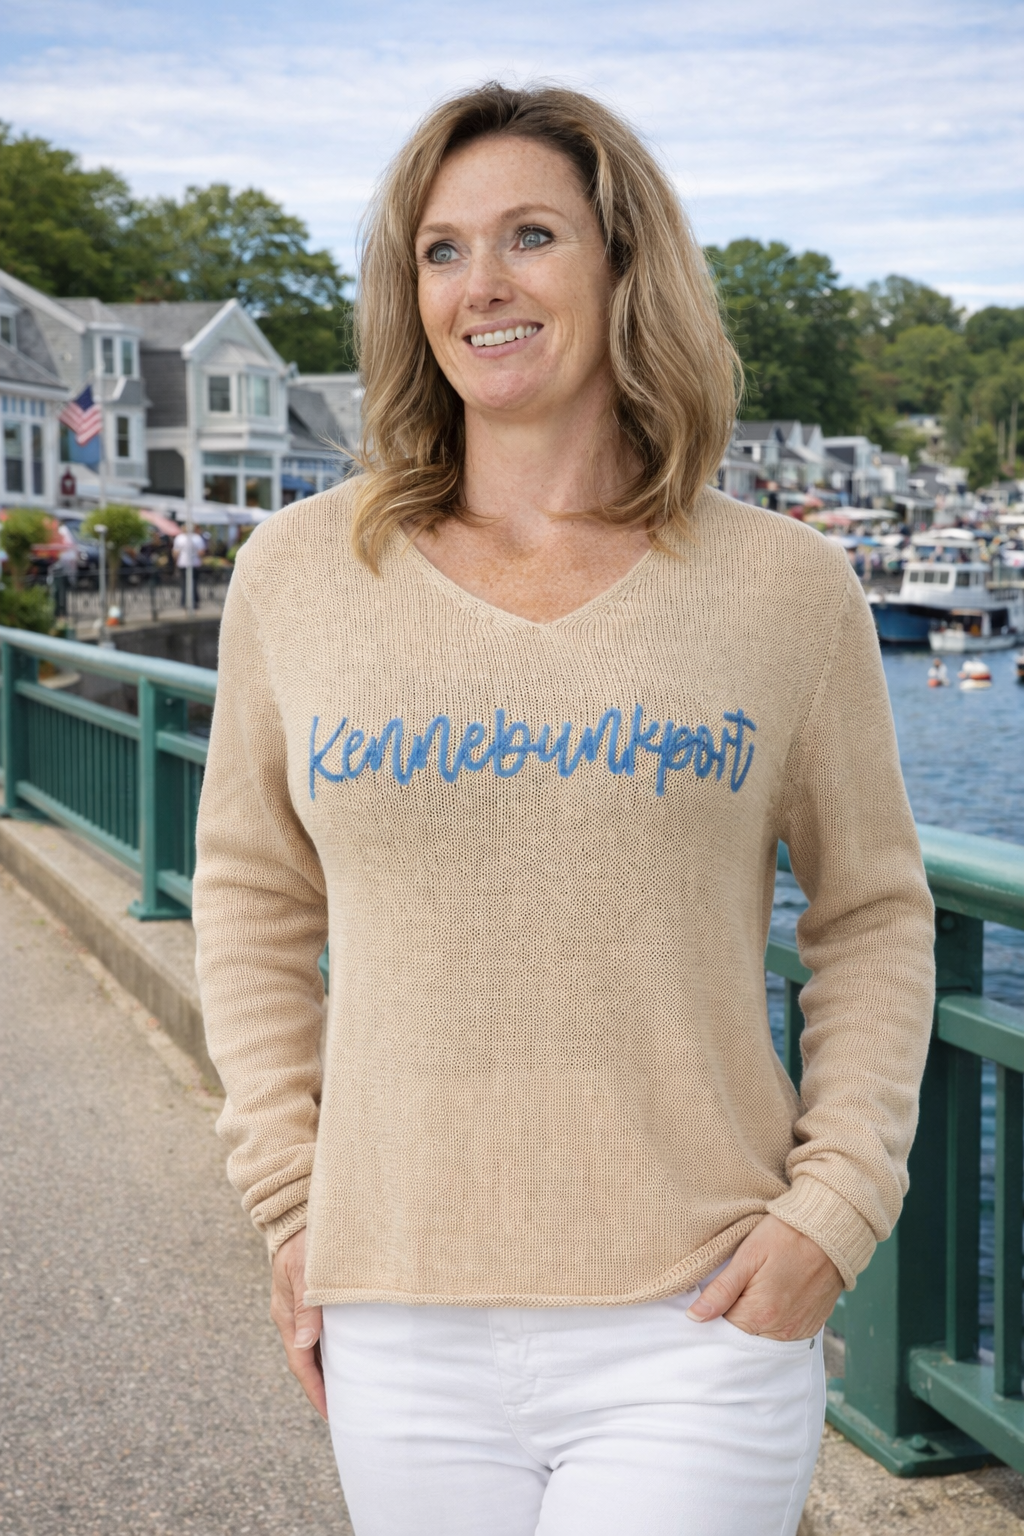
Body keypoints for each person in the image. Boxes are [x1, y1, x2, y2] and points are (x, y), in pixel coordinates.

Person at [193, 83, 935, 1536]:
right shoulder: (298, 576)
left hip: (698, 1315)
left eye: (529, 235)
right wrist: (289, 1199)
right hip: (396, 1311)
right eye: (441, 249)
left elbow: (871, 915)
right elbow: (250, 898)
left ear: (621, 264)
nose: (482, 283)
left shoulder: (784, 589)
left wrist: (836, 1205)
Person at [172, 525, 205, 609]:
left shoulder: (179, 538)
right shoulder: (197, 538)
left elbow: (175, 553)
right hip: (193, 563)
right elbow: (201, 552)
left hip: (184, 563)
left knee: (185, 583)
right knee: (193, 583)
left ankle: (185, 602)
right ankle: (193, 601)